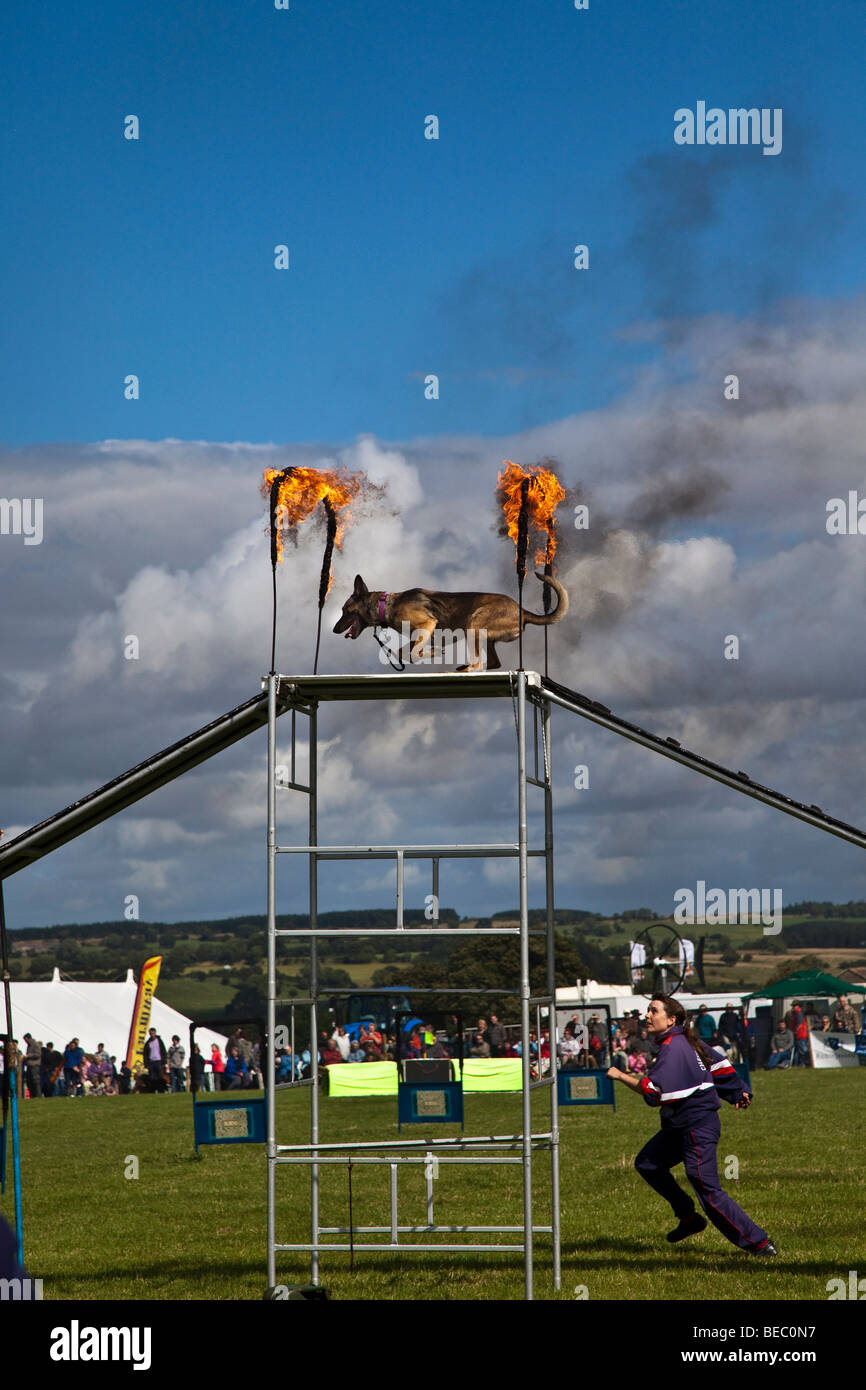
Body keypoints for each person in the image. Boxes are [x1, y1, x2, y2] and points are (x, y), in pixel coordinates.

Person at [607, 993, 775, 1256]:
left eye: (653, 1011)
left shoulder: (674, 1047)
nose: (647, 1016)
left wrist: (619, 1075)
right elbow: (717, 1064)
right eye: (647, 1011)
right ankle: (689, 1218)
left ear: (671, 1019)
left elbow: (653, 1092)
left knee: (707, 1189)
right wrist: (737, 1091)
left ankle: (759, 1243)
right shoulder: (684, 1040)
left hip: (697, 1128)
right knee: (648, 1164)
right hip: (680, 1126)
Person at [144, 1028, 167, 1093]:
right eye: (151, 1033)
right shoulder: (148, 1043)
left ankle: (160, 1090)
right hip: (151, 1062)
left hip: (158, 1061)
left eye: (153, 1033)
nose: (152, 1035)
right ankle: (152, 1091)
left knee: (159, 1077)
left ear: (155, 1033)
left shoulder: (159, 1041)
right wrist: (146, 1064)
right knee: (151, 1077)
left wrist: (164, 1061)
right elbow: (145, 1054)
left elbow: (163, 1051)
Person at [22, 1034, 42, 1099]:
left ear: (29, 1038)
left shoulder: (35, 1045)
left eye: (26, 1040)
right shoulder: (29, 1045)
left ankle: (37, 1095)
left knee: (35, 1081)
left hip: (34, 1065)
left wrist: (28, 1056)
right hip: (29, 1065)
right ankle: (32, 1095)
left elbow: (38, 1054)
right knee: (29, 1081)